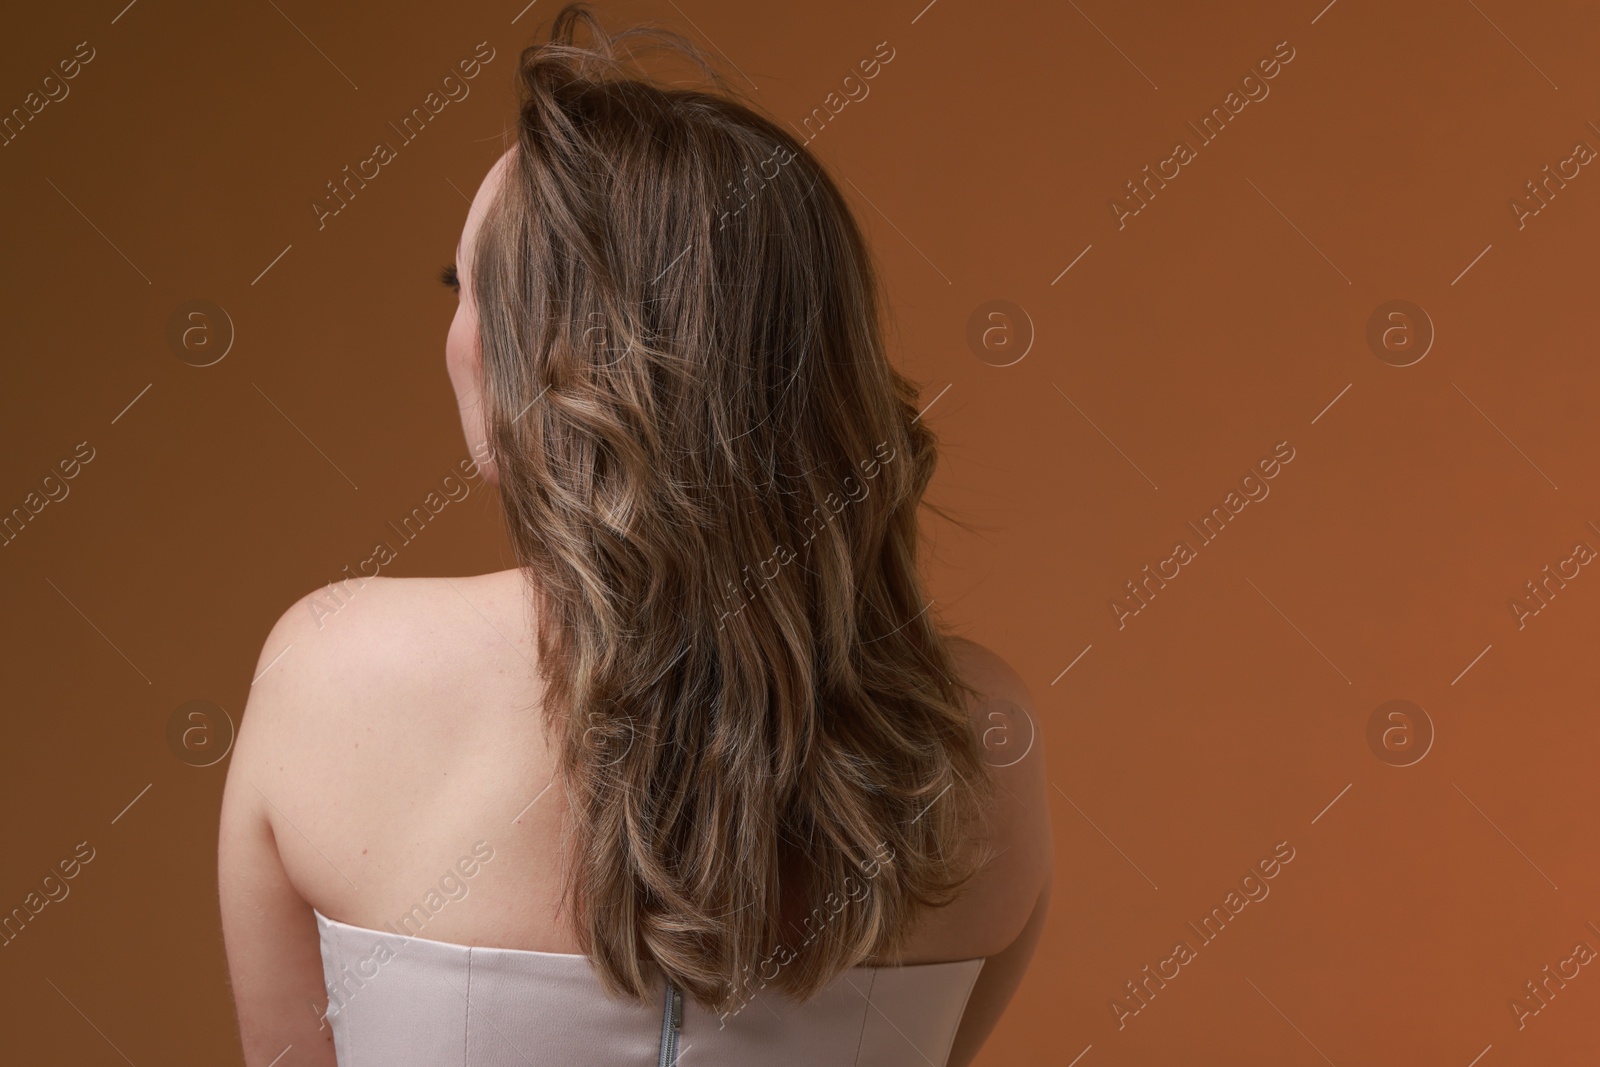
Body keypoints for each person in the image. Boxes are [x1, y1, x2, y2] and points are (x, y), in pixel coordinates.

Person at [217, 6, 1052, 1064]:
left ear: (538, 349)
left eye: (468, 287)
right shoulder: (975, 737)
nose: (456, 334)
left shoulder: (332, 670)